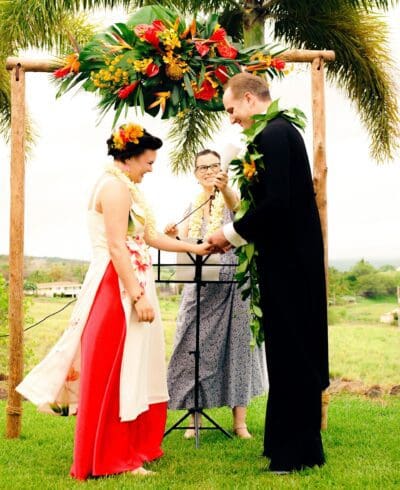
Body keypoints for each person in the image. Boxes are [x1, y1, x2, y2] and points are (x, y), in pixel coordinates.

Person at [16, 123, 211, 480]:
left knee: (137, 366)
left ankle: (132, 448)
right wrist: (137, 296)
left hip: (129, 279)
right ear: (131, 156)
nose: (151, 168)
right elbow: (118, 246)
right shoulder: (114, 189)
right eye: (149, 162)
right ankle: (109, 456)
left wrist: (191, 247)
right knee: (117, 369)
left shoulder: (127, 188)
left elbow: (148, 236)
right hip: (116, 285)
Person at [207, 73, 329, 472]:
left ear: (247, 99)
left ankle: (291, 454)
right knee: (293, 351)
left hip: (290, 265)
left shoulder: (273, 136)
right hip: (293, 260)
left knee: (290, 353)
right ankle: (302, 448)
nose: (230, 119)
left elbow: (277, 204)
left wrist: (230, 233)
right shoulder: (281, 131)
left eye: (230, 110)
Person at [165, 149, 267, 439]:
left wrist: (226, 189)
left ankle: (240, 423)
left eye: (213, 166)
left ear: (222, 170)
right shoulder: (193, 205)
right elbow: (185, 240)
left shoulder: (233, 196)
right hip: (201, 286)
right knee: (190, 347)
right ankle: (192, 418)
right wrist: (173, 235)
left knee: (238, 350)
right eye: (202, 168)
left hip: (235, 283)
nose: (208, 171)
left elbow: (240, 214)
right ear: (196, 174)